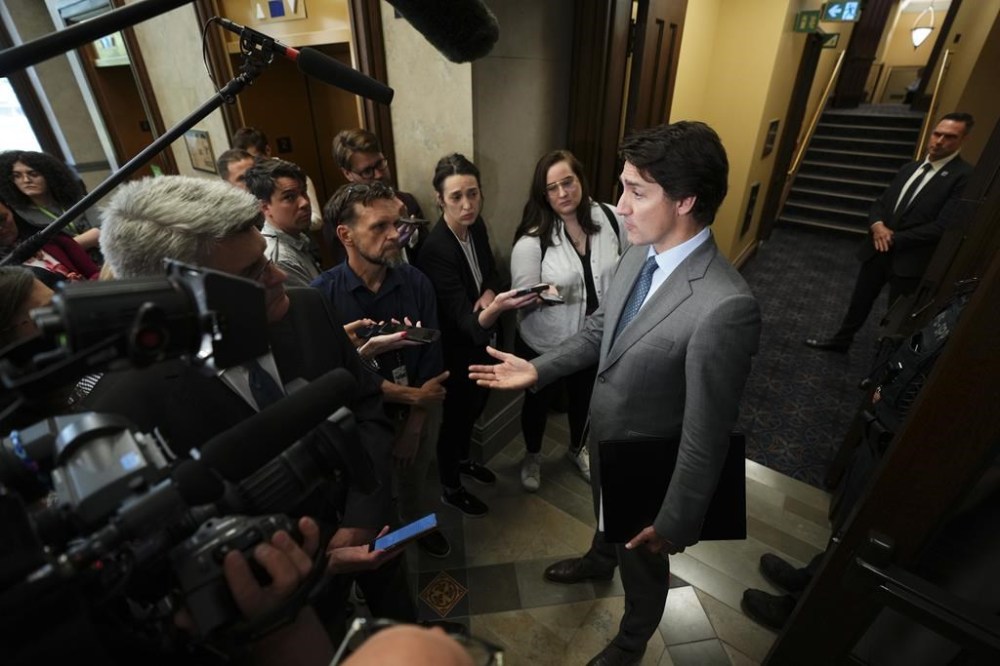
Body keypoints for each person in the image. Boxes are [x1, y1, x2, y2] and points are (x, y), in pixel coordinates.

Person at [470, 122, 761, 665]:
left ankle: (629, 645)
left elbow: (706, 434)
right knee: (608, 519)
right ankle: (598, 558)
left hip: (655, 465)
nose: (619, 205)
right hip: (607, 440)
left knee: (643, 561)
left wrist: (675, 522)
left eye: (636, 191)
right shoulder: (638, 253)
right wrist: (537, 371)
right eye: (622, 186)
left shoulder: (725, 307)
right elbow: (601, 331)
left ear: (685, 200)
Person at [83, 175, 414, 636]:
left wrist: (362, 515)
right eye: (252, 274)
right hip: (282, 614)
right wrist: (320, 564)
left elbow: (366, 407)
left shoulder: (308, 307)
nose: (277, 275)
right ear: (176, 302)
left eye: (264, 257)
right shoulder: (123, 413)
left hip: (374, 528)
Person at [311, 181, 452, 558]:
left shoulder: (416, 282)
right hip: (362, 423)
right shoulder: (321, 297)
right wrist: (408, 395)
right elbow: (335, 378)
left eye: (397, 223)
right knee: (374, 499)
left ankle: (420, 528)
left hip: (420, 412)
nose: (395, 235)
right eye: (379, 227)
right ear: (346, 235)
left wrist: (416, 422)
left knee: (416, 486)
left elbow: (432, 365)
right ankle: (386, 549)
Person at [415, 153, 538, 519]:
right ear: (440, 199)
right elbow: (466, 324)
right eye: (456, 197)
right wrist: (495, 306)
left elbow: (491, 274)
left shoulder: (477, 226)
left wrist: (487, 295)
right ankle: (451, 487)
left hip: (484, 344)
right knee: (456, 421)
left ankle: (465, 460)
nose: (467, 205)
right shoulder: (435, 250)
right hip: (457, 353)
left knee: (474, 411)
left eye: (472, 193)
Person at [804, 112, 975, 352]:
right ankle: (841, 341)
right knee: (859, 302)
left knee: (896, 318)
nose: (939, 141)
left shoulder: (964, 177)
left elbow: (942, 226)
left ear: (963, 140)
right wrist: (877, 226)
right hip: (877, 250)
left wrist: (892, 238)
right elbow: (880, 203)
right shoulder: (909, 167)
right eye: (937, 134)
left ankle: (879, 371)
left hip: (910, 259)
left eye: (949, 137)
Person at [510, 149, 624, 491]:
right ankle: (532, 456)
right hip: (544, 342)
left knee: (585, 400)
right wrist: (547, 293)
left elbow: (634, 262)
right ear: (542, 194)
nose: (562, 193)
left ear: (580, 180)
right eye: (552, 188)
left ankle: (577, 448)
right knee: (537, 404)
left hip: (593, 340)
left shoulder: (611, 217)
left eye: (568, 182)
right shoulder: (532, 241)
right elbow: (520, 299)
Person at [332, 129, 426, 264]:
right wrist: (391, 246)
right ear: (348, 174)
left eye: (380, 164)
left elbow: (428, 255)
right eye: (367, 171)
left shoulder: (407, 201)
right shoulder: (340, 217)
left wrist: (412, 235)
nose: (379, 175)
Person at [0, 150, 102, 251]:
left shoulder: (76, 199)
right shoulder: (18, 215)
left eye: (33, 174)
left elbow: (103, 231)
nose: (26, 180)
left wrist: (67, 247)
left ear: (50, 176)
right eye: (17, 176)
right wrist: (90, 237)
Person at [243, 158, 321, 287]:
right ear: (265, 207)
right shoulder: (280, 260)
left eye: (303, 192)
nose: (305, 203)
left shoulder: (296, 237)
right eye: (289, 197)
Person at [232, 127, 324, 231]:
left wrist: (285, 222)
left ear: (267, 150)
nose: (252, 166)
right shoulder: (246, 184)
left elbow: (317, 221)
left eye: (256, 159)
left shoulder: (293, 176)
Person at [0, 197, 99, 283]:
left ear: (11, 210)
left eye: (2, 219)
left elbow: (94, 273)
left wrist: (86, 286)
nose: (0, 228)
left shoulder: (50, 236)